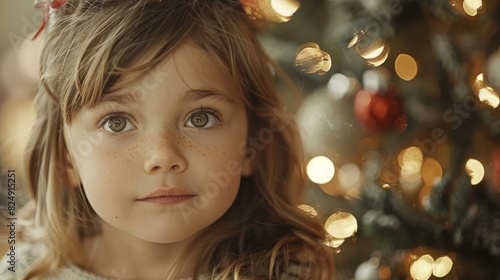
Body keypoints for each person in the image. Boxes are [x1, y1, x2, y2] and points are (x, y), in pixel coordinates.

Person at [0, 0, 334, 279]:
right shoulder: (25, 272)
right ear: (65, 157)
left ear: (250, 146)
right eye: (116, 123)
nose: (163, 155)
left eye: (200, 118)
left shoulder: (288, 273)